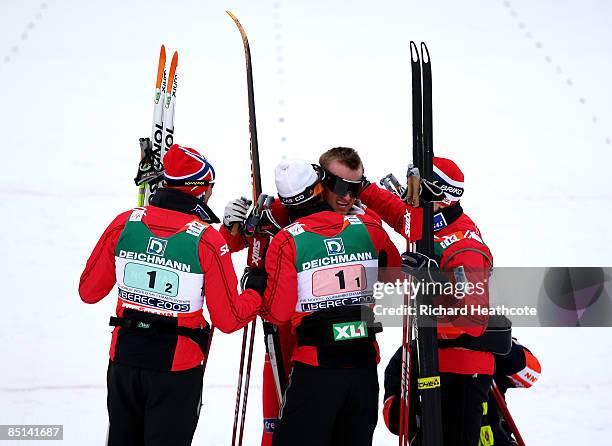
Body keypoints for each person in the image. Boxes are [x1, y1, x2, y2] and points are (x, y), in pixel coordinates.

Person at [220, 147, 426, 446]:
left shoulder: (361, 218)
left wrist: (369, 196)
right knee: (275, 430)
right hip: (286, 344)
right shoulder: (285, 207)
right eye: (341, 188)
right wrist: (231, 229)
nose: (348, 197)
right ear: (320, 184)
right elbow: (246, 239)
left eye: (357, 189)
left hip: (339, 351)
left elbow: (400, 253)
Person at [78, 144, 264, 446]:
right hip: (176, 368)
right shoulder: (206, 240)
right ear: (198, 190)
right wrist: (256, 292)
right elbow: (228, 318)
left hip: (124, 359)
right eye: (210, 188)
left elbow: (88, 291)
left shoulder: (124, 223)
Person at [255, 159, 401, 446]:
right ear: (320, 188)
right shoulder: (368, 227)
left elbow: (278, 313)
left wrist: (256, 288)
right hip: (363, 371)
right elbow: (396, 276)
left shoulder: (285, 240)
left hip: (316, 371)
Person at [355, 154, 496, 445]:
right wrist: (361, 188)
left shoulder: (464, 247)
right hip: (433, 355)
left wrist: (433, 282)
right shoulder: (434, 226)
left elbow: (474, 319)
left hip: (460, 369)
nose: (408, 194)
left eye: (416, 187)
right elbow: (400, 216)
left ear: (438, 194)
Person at [382, 338, 542, 446]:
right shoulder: (412, 352)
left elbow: (531, 375)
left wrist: (496, 342)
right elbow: (395, 421)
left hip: (493, 439)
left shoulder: (496, 340)